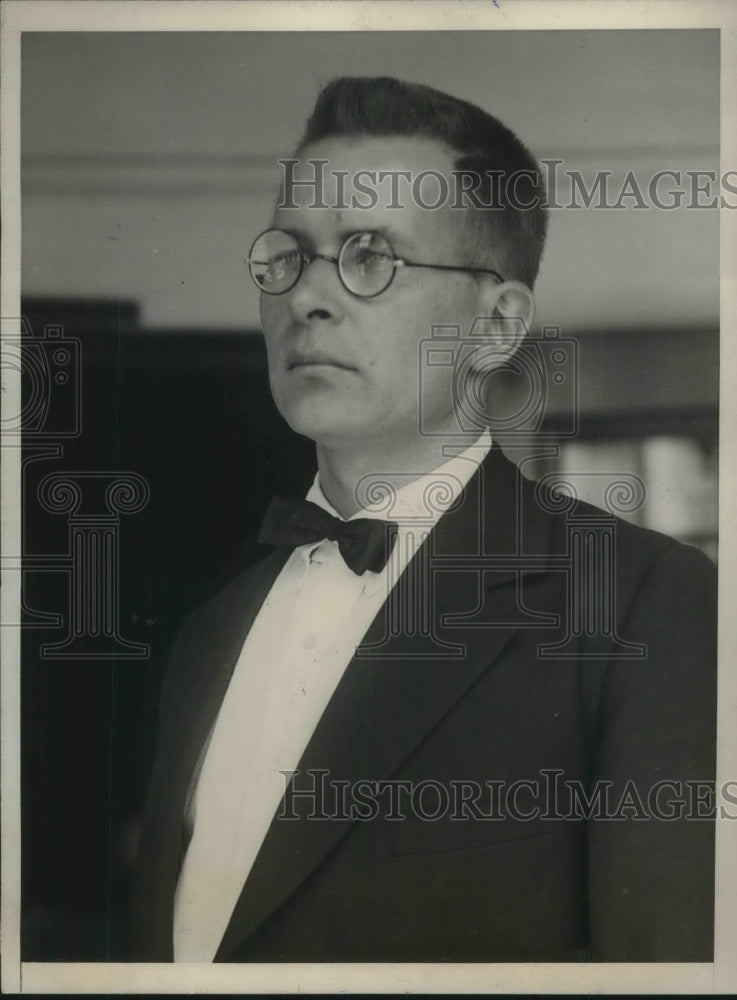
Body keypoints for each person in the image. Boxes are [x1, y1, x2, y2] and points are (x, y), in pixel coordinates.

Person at [131, 76, 716, 963]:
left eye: (371, 256)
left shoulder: (647, 606)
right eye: (287, 255)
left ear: (496, 325)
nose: (305, 299)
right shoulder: (209, 631)